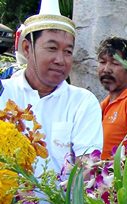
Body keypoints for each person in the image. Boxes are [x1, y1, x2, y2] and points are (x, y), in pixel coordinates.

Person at [0, 0, 102, 175]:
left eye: (68, 51)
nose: (60, 59)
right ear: (27, 48)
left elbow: (87, 168)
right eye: (52, 48)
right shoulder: (4, 93)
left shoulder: (83, 102)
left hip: (61, 202)